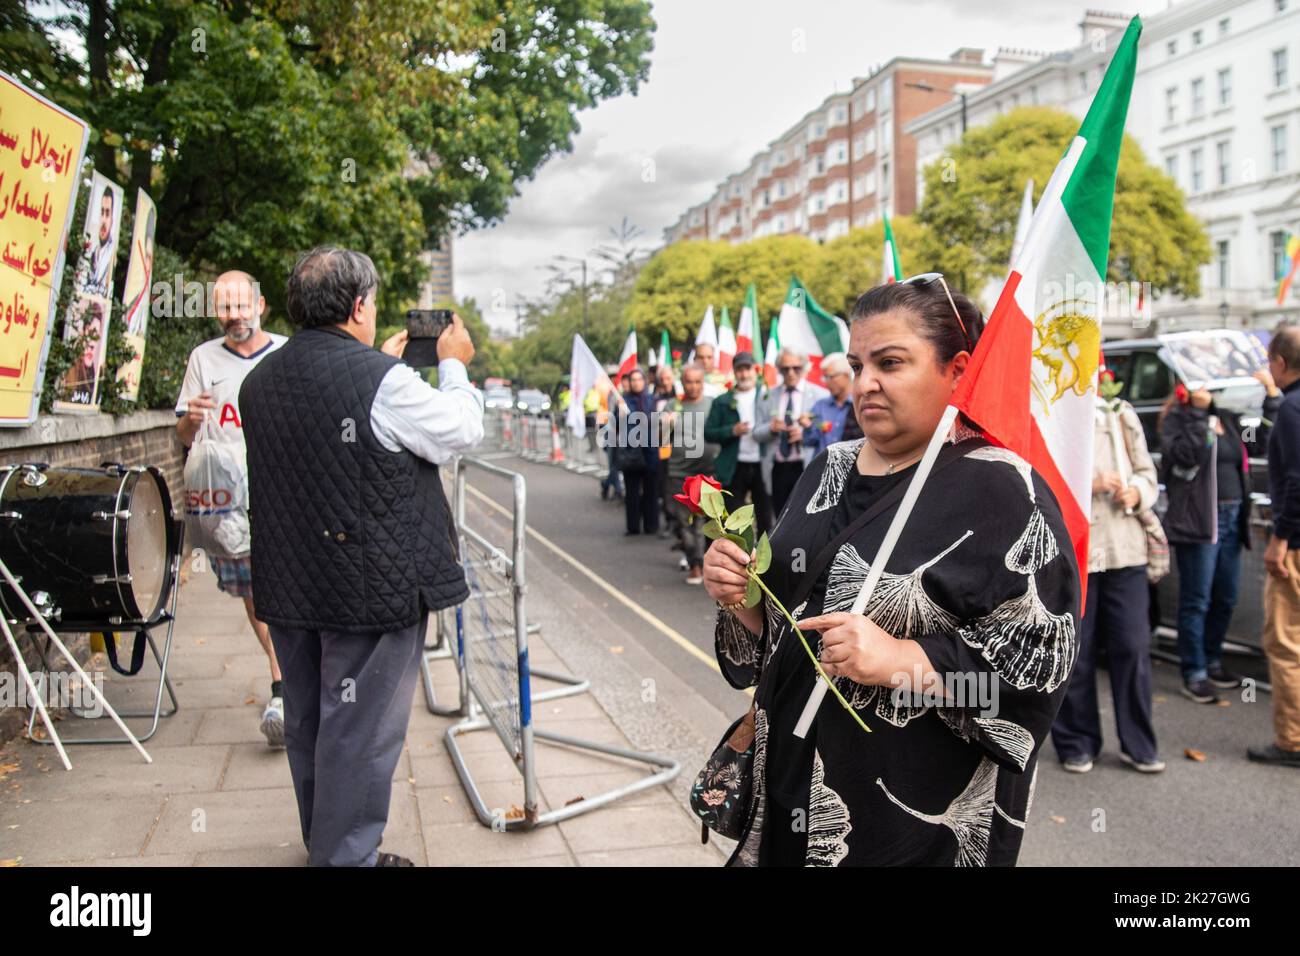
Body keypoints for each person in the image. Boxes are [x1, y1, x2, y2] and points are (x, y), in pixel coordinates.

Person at [702, 276, 1079, 866]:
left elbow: (1038, 676)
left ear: (957, 370)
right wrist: (739, 595)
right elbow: (779, 629)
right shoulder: (828, 467)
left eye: (891, 362)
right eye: (857, 364)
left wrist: (907, 663)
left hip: (904, 826)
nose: (866, 383)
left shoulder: (1004, 489)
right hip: (787, 796)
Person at [240, 246, 483, 866]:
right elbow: (459, 430)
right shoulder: (385, 382)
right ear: (357, 307)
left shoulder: (259, 379)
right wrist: (452, 365)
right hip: (369, 590)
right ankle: (345, 859)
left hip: (292, 585)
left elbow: (330, 434)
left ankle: (325, 844)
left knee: (310, 725)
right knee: (360, 734)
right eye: (371, 303)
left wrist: (379, 371)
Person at [175, 270, 287, 747]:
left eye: (242, 306)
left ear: (259, 306)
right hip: (228, 499)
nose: (234, 316)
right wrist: (191, 422)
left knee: (286, 583)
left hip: (283, 488)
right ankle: (284, 681)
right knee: (254, 593)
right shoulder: (203, 359)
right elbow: (182, 435)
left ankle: (284, 688)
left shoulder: (285, 352)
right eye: (224, 307)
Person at [1051, 387, 1164, 773]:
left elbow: (1148, 472)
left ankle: (1138, 742)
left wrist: (1138, 492)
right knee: (1077, 654)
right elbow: (1041, 475)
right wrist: (1090, 483)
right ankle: (1077, 742)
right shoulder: (1056, 412)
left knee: (1132, 647)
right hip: (1076, 550)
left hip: (1124, 548)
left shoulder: (1121, 413)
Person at [1160, 381, 1252, 704]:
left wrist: (1270, 399)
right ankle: (1194, 672)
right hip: (1199, 521)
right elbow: (1185, 455)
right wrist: (1198, 414)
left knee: (1226, 596)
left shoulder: (1227, 417)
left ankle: (1213, 659)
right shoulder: (1179, 418)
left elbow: (1260, 443)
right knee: (1196, 599)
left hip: (1231, 518)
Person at [1256, 320, 1300, 767]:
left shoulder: (1290, 409)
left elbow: (1294, 481)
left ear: (1281, 363)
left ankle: (1292, 741)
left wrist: (1280, 540)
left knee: (1285, 642)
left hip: (1296, 545)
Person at [704, 351, 773, 535]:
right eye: (739, 370)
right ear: (734, 372)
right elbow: (708, 433)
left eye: (747, 369)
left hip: (763, 463)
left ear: (755, 370)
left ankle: (766, 560)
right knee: (733, 520)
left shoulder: (767, 395)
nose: (744, 374)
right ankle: (738, 559)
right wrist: (731, 431)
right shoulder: (722, 401)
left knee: (767, 518)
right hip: (734, 466)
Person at [757, 347, 830, 521]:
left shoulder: (820, 395)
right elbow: (756, 433)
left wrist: (806, 432)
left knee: (807, 519)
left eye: (796, 368)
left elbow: (827, 432)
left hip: (807, 465)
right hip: (778, 467)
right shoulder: (768, 396)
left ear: (804, 368)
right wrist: (771, 428)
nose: (790, 373)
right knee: (781, 519)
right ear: (779, 369)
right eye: (785, 369)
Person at [664, 363, 717, 584]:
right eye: (688, 381)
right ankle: (694, 565)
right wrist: (665, 425)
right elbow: (661, 440)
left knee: (708, 521)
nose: (693, 386)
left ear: (702, 382)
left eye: (697, 381)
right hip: (679, 472)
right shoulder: (673, 405)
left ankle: (707, 564)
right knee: (684, 521)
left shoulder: (713, 405)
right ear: (682, 382)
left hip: (707, 472)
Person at [612, 367, 659, 534]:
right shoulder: (623, 401)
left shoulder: (651, 400)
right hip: (631, 452)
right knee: (631, 491)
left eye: (639, 379)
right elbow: (616, 426)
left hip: (650, 451)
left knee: (651, 490)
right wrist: (621, 413)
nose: (636, 383)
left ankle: (651, 525)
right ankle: (632, 526)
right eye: (633, 380)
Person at [806, 353, 854, 456]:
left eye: (830, 377)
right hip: (823, 469)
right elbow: (808, 441)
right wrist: (807, 426)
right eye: (825, 377)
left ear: (846, 374)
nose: (826, 382)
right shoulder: (819, 406)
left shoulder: (859, 405)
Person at [85, 186, 116, 296]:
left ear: (112, 219)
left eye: (107, 214)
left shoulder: (111, 254)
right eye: (102, 212)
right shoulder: (93, 251)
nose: (103, 220)